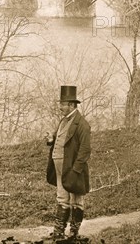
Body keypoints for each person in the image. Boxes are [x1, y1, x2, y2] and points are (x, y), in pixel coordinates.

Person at [46, 86, 91, 242]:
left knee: (77, 199)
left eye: (63, 104)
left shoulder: (82, 124)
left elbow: (85, 150)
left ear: (71, 105)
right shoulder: (64, 121)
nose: (60, 107)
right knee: (62, 198)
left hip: (73, 168)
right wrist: (51, 140)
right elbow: (60, 139)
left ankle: (73, 233)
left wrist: (76, 170)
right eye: (60, 104)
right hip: (60, 167)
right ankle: (59, 232)